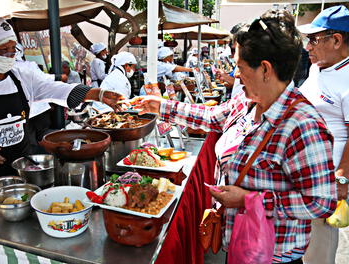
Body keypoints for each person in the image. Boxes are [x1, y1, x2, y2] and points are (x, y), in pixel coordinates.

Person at [134, 10, 336, 264]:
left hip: (272, 255)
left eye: (239, 66)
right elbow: (212, 118)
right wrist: (159, 106)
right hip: (240, 244)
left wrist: (249, 200)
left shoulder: (302, 125)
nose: (235, 74)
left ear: (265, 69)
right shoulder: (247, 100)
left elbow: (321, 201)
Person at [0, 18, 123, 205]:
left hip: (23, 168)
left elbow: (53, 89)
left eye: (13, 49)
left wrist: (96, 93)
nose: (11, 55)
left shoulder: (21, 77)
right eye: (4, 50)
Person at [297, 5, 349, 264]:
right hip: (305, 172)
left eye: (314, 39)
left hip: (326, 179)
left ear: (337, 40)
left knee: (319, 251)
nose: (308, 47)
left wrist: (341, 179)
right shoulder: (317, 69)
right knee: (304, 245)